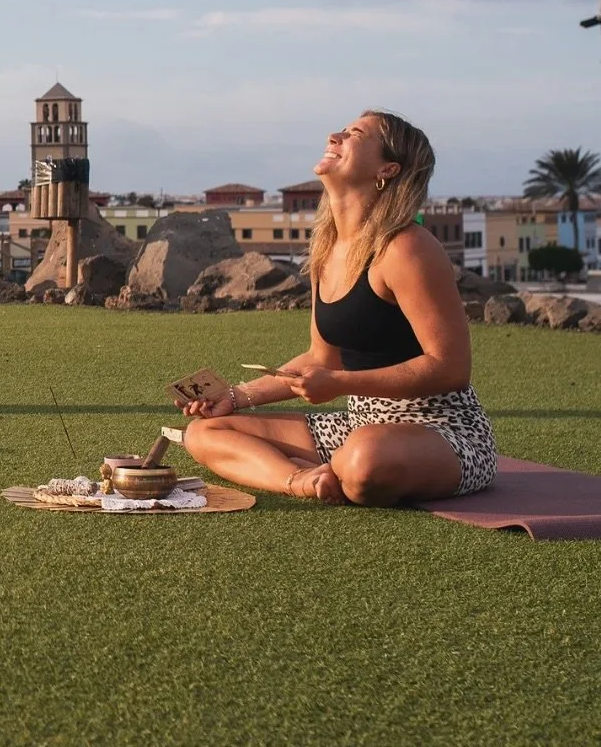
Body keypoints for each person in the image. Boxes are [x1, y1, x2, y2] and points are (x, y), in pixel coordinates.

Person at [181, 110, 497, 504]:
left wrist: (341, 384)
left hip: (442, 431)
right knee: (204, 433)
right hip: (358, 426)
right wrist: (236, 396)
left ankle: (341, 470)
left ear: (388, 169)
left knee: (364, 460)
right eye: (342, 131)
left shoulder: (407, 248)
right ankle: (302, 480)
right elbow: (322, 357)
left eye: (355, 134)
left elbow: (450, 368)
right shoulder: (327, 250)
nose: (335, 136)